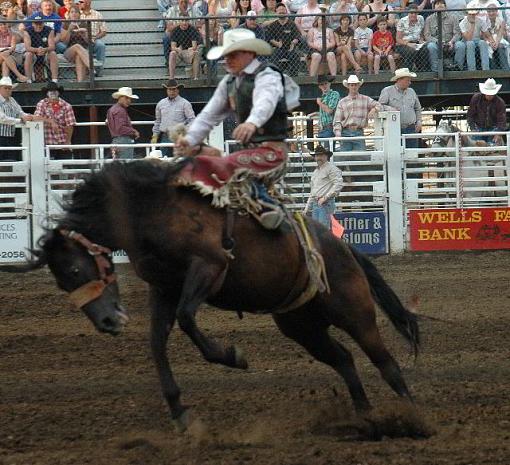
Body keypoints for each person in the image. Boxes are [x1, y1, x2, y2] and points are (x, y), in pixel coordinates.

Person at [175, 29, 291, 229]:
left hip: (274, 153)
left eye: (232, 55)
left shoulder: (268, 75)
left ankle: (267, 205)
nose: (227, 60)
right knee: (201, 163)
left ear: (249, 53)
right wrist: (190, 139)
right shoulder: (229, 82)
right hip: (250, 153)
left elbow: (266, 101)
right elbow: (208, 115)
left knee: (229, 164)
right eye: (225, 55)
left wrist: (252, 122)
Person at [0, 76, 44, 160]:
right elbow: (2, 119)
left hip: (10, 135)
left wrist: (28, 116)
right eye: (5, 88)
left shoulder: (12, 100)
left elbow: (19, 112)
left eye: (10, 88)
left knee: (10, 160)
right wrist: (21, 120)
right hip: (1, 136)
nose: (8, 90)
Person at [333, 74, 381, 152]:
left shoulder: (366, 99)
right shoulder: (342, 102)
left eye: (355, 85)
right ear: (348, 86)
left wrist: (373, 110)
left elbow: (379, 105)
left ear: (358, 86)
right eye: (352, 85)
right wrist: (338, 134)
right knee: (344, 158)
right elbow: (337, 120)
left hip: (359, 131)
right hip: (345, 132)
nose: (354, 87)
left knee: (361, 157)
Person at [378, 67, 422, 148]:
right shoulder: (387, 91)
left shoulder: (411, 91)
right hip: (394, 129)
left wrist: (419, 121)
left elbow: (418, 108)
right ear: (399, 80)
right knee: (395, 153)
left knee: (412, 154)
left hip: (411, 128)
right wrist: (390, 109)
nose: (409, 82)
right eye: (407, 80)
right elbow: (379, 106)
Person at [151, 79, 196, 157]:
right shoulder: (161, 104)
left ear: (178, 90)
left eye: (174, 89)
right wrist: (155, 135)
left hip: (179, 136)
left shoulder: (185, 103)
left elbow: (192, 120)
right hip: (165, 135)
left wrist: (184, 131)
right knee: (163, 158)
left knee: (180, 158)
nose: (172, 91)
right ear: (167, 90)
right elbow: (158, 121)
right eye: (169, 89)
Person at [303, 145, 343, 229]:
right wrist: (307, 208)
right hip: (316, 203)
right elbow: (313, 191)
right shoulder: (316, 171)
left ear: (326, 156)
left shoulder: (331, 168)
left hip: (325, 203)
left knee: (323, 231)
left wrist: (325, 197)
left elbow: (338, 184)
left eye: (321, 155)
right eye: (317, 156)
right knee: (318, 230)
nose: (318, 158)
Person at [34, 81, 76, 158]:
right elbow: (36, 117)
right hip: (47, 143)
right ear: (47, 93)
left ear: (58, 92)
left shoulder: (67, 106)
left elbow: (70, 125)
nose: (53, 92)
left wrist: (67, 142)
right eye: (50, 91)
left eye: (55, 90)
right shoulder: (41, 104)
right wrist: (51, 121)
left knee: (65, 167)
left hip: (62, 142)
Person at [424, 0, 465, 72]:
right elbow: (427, 35)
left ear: (445, 7)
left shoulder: (453, 17)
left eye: (442, 3)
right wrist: (438, 42)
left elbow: (457, 33)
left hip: (451, 43)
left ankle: (457, 69)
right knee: (431, 46)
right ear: (433, 7)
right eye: (437, 3)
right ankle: (436, 70)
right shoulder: (429, 19)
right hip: (436, 44)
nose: (440, 5)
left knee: (460, 45)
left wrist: (452, 42)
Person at [466, 78, 507, 145]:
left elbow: (502, 120)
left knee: (493, 145)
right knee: (476, 147)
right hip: (478, 127)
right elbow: (470, 115)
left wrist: (498, 133)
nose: (489, 95)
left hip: (493, 128)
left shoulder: (500, 102)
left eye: (491, 94)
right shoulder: (476, 98)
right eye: (488, 94)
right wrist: (473, 128)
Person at [265, 2, 301, 75]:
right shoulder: (273, 25)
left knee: (296, 55)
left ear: (286, 11)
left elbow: (297, 36)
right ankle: (275, 75)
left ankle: (294, 75)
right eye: (279, 10)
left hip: (290, 47)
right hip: (278, 48)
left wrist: (293, 42)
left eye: (283, 10)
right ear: (276, 12)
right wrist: (277, 44)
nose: (281, 11)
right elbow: (269, 38)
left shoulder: (291, 24)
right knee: (273, 57)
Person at [106, 87, 140, 159]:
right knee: (126, 164)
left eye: (130, 99)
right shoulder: (120, 110)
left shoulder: (112, 109)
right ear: (120, 97)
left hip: (115, 140)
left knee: (119, 164)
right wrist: (133, 131)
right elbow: (121, 128)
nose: (129, 101)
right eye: (126, 98)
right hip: (123, 140)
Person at [60, 4, 92, 81]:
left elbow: (89, 42)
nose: (74, 14)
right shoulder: (65, 24)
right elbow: (65, 43)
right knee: (77, 46)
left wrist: (83, 35)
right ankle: (91, 68)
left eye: (76, 12)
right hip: (69, 52)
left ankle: (80, 83)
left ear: (79, 14)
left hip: (83, 52)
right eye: (72, 12)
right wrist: (69, 31)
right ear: (69, 14)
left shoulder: (84, 23)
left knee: (78, 56)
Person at [23, 15, 58, 83]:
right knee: (29, 54)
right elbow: (27, 47)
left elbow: (52, 46)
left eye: (40, 23)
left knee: (53, 53)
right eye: (36, 24)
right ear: (33, 23)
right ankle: (28, 80)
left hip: (46, 52)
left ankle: (55, 80)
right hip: (33, 53)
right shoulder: (27, 31)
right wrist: (37, 50)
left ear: (43, 23)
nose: (38, 26)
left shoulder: (49, 30)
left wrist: (44, 50)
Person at [78, 0, 107, 77]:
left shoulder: (98, 14)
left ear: (88, 2)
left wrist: (95, 38)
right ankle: (87, 71)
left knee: (101, 45)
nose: (79, 4)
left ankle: (98, 71)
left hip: (94, 39)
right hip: (80, 40)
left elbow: (104, 31)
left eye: (81, 2)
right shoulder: (77, 14)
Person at [168, 13, 201, 80]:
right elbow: (173, 47)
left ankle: (195, 78)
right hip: (178, 52)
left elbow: (194, 46)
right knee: (172, 53)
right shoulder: (175, 30)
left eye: (186, 20)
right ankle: (171, 78)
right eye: (182, 20)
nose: (184, 23)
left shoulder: (192, 29)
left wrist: (190, 49)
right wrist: (177, 49)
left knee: (196, 53)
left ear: (188, 21)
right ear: (179, 21)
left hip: (188, 52)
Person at [395, 6, 427, 71]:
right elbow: (398, 39)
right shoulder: (402, 21)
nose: (413, 15)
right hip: (403, 44)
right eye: (411, 13)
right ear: (408, 13)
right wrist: (408, 44)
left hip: (417, 42)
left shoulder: (421, 18)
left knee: (425, 49)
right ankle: (407, 71)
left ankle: (422, 70)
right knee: (411, 51)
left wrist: (421, 39)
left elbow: (421, 33)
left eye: (415, 13)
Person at [315, 74, 340, 148]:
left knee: (327, 153)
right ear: (319, 86)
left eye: (325, 83)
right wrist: (316, 113)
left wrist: (319, 103)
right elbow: (325, 112)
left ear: (329, 83)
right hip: (321, 128)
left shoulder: (334, 94)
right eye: (322, 84)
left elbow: (329, 111)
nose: (324, 86)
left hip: (330, 127)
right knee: (322, 152)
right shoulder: (322, 97)